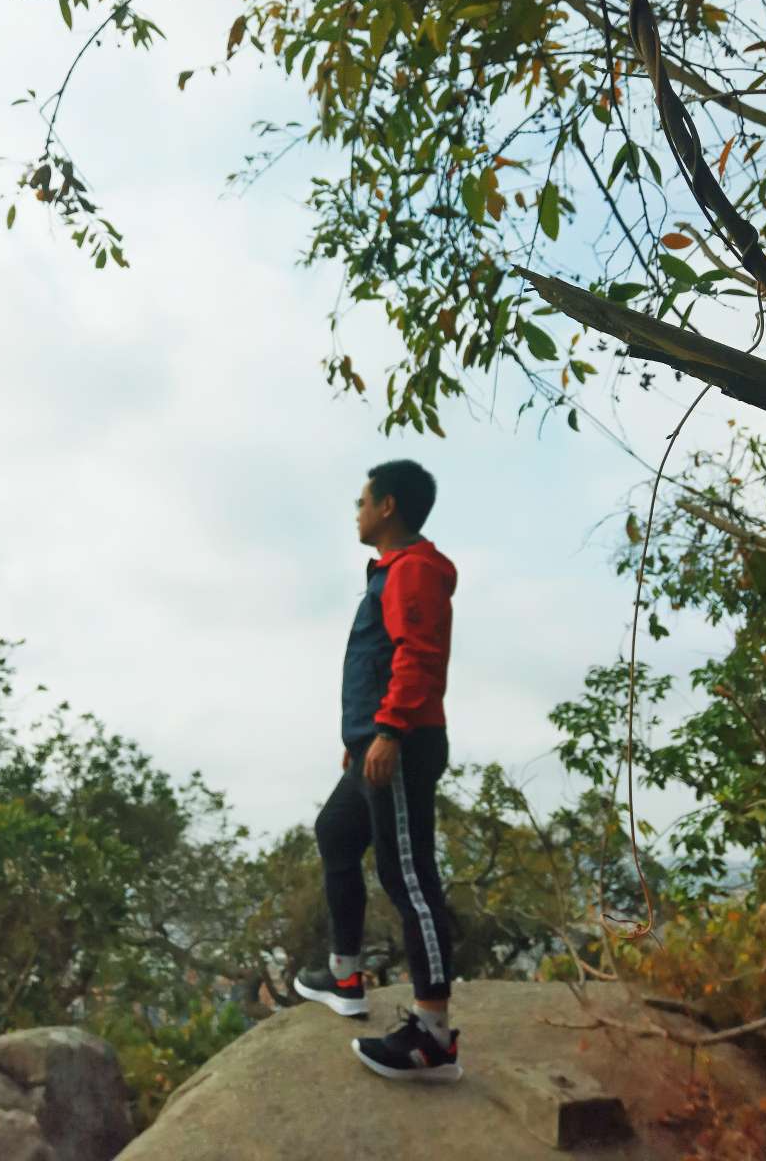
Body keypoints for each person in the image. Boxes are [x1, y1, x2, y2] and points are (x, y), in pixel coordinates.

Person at [294, 459, 462, 1082]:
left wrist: (388, 729)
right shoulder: (394, 570)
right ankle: (345, 976)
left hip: (401, 742)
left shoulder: (414, 570)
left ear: (387, 506)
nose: (357, 511)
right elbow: (384, 659)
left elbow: (417, 656)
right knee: (336, 833)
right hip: (375, 740)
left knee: (408, 877)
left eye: (362, 501)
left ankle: (433, 1038)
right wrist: (364, 735)